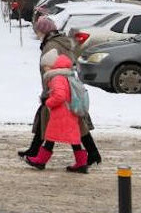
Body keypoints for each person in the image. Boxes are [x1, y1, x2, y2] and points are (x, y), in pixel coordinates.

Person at [19, 17, 102, 166]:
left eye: (38, 31)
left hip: (59, 90)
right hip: (67, 89)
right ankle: (90, 154)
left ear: (44, 31)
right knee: (70, 125)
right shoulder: (61, 41)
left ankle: (39, 154)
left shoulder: (52, 45)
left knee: (62, 124)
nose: (37, 34)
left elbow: (51, 67)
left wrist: (48, 91)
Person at [23, 53, 89, 173]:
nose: (44, 69)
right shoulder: (66, 75)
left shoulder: (57, 78)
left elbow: (60, 96)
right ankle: (81, 163)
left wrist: (48, 102)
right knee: (72, 139)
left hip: (61, 113)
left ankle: (40, 161)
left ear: (52, 65)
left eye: (45, 66)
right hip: (69, 112)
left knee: (50, 137)